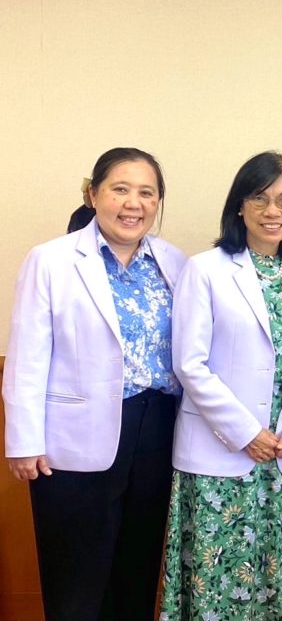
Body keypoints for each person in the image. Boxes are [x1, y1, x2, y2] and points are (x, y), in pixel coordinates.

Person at [3, 148, 187, 621]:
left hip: (157, 429)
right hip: (73, 436)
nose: (133, 204)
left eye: (147, 193)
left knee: (137, 570)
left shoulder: (173, 262)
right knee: (76, 579)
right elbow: (27, 358)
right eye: (120, 189)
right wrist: (24, 441)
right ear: (93, 194)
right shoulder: (51, 260)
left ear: (158, 201)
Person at [160, 152, 282, 620]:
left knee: (278, 585)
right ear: (239, 205)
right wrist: (245, 432)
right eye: (259, 198)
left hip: (281, 457)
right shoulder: (206, 269)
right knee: (217, 585)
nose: (273, 211)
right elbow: (189, 364)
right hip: (220, 454)